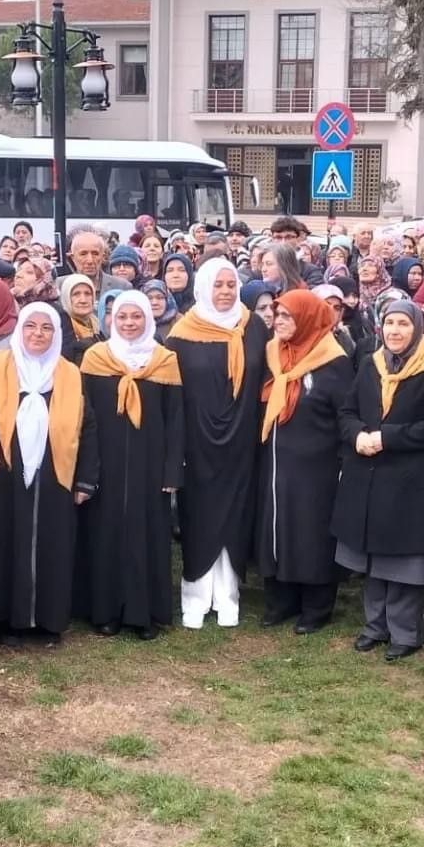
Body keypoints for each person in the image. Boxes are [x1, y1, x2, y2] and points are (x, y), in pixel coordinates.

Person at [334, 300, 424, 660]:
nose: (395, 330)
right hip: (368, 473)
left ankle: (405, 631)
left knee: (403, 560)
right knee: (372, 557)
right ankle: (375, 626)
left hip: (410, 479)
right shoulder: (372, 364)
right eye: (389, 323)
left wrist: (387, 437)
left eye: (403, 323)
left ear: (417, 328)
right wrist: (356, 435)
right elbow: (347, 410)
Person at [0, 303, 97, 641]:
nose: (38, 334)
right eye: (31, 326)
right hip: (4, 472)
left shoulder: (68, 373)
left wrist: (85, 479)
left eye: (46, 328)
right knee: (4, 541)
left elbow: (87, 426)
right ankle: (4, 620)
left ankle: (47, 620)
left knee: (51, 545)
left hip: (55, 472)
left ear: (56, 334)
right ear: (20, 329)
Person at [166, 259, 267, 629]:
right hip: (197, 444)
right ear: (203, 287)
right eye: (217, 285)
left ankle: (228, 595)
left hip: (241, 441)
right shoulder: (181, 334)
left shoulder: (253, 327)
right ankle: (195, 595)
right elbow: (173, 395)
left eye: (230, 284)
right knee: (199, 517)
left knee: (235, 516)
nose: (225, 291)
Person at [79, 292, 183, 638]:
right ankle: (106, 611)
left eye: (136, 317)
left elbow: (175, 419)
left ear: (147, 319)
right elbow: (85, 416)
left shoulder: (164, 360)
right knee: (105, 535)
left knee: (146, 536)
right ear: (110, 319)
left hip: (149, 466)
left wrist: (172, 469)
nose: (128, 323)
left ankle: (144, 613)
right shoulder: (96, 358)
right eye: (121, 316)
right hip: (106, 465)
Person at [256, 291, 350, 631]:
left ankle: (316, 606)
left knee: (311, 532)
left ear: (307, 320)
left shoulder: (332, 361)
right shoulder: (272, 353)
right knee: (278, 528)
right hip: (276, 463)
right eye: (276, 314)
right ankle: (281, 600)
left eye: (287, 316)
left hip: (317, 468)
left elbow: (346, 414)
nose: (278, 320)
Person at [58, 273, 101, 361]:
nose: (83, 300)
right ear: (66, 298)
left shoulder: (98, 324)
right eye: (76, 294)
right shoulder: (61, 329)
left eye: (87, 294)